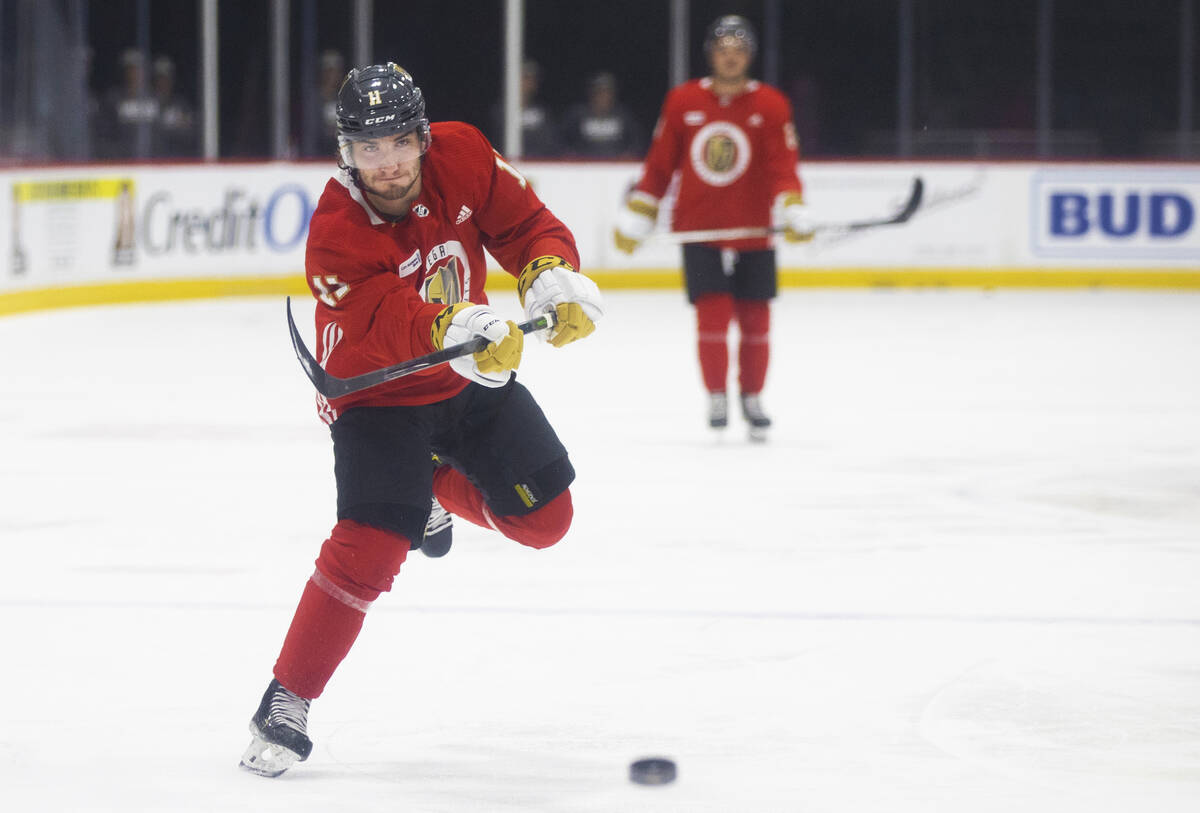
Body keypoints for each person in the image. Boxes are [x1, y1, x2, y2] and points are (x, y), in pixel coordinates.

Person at [238, 62, 602, 778]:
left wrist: (550, 272)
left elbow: (524, 223)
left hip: (467, 373)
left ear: (423, 135)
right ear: (346, 152)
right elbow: (378, 321)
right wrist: (455, 322)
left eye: (400, 141)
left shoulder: (463, 154)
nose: (389, 163)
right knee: (371, 549)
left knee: (547, 518)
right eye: (369, 148)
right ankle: (286, 699)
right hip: (376, 396)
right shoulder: (335, 231)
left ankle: (434, 488)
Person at [612, 15, 813, 441]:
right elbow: (661, 164)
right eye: (723, 48)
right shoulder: (684, 101)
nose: (731, 56)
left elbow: (783, 166)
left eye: (739, 49)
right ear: (711, 53)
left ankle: (753, 397)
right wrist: (641, 211)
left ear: (750, 56)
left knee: (756, 319)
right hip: (698, 228)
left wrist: (792, 206)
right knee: (713, 315)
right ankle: (717, 395)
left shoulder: (771, 105)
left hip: (754, 228)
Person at [561, 71, 645, 158]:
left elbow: (637, 141)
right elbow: (561, 140)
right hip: (584, 167)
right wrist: (570, 154)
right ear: (591, 94)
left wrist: (630, 154)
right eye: (599, 92)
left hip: (616, 166)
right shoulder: (578, 114)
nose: (603, 96)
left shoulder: (623, 115)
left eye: (607, 92)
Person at [491, 59, 563, 158]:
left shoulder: (542, 112)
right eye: (525, 78)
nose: (530, 83)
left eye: (533, 79)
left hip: (538, 165)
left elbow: (551, 144)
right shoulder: (501, 111)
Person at [150, 56, 197, 157]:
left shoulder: (181, 105)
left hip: (175, 160)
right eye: (159, 78)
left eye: (166, 78)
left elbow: (191, 136)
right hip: (150, 160)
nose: (163, 82)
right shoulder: (146, 104)